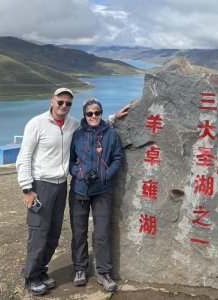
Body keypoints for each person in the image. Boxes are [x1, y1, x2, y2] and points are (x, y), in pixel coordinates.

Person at [16, 88, 130, 296]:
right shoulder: (37, 123)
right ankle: (31, 276)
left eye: (68, 103)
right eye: (60, 102)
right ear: (52, 101)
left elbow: (99, 130)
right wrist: (27, 188)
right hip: (43, 184)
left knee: (54, 232)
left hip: (62, 185)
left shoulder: (72, 125)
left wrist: (114, 117)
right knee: (40, 231)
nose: (63, 106)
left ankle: (41, 272)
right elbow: (24, 158)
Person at [69, 98, 123, 292]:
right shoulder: (77, 135)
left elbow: (117, 158)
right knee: (79, 232)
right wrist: (79, 173)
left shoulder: (110, 134)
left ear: (101, 113)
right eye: (89, 113)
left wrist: (105, 175)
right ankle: (80, 268)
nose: (93, 116)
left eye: (97, 112)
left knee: (101, 233)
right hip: (79, 190)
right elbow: (71, 161)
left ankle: (103, 272)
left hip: (102, 191)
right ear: (84, 115)